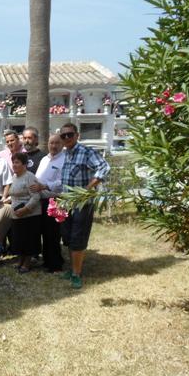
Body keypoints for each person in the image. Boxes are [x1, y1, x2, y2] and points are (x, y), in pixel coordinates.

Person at [58, 122, 110, 289]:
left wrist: (88, 188)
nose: (66, 137)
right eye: (63, 135)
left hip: (82, 204)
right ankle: (72, 269)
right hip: (67, 203)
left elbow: (104, 167)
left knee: (78, 238)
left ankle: (76, 273)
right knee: (67, 237)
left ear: (77, 135)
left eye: (69, 134)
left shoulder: (86, 152)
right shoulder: (65, 154)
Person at [5, 152, 43, 273]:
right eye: (13, 162)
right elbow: (15, 194)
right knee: (19, 239)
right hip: (17, 215)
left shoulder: (29, 176)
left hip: (30, 215)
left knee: (29, 239)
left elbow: (36, 197)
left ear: (24, 164)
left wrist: (25, 209)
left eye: (17, 162)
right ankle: (20, 260)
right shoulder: (14, 177)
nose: (14, 165)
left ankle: (27, 263)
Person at [33, 133, 66, 272]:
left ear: (62, 144)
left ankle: (55, 264)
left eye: (57, 143)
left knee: (53, 234)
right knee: (44, 232)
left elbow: (63, 182)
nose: (53, 145)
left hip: (56, 200)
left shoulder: (64, 160)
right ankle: (47, 260)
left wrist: (45, 186)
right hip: (41, 200)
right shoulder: (45, 159)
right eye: (51, 143)